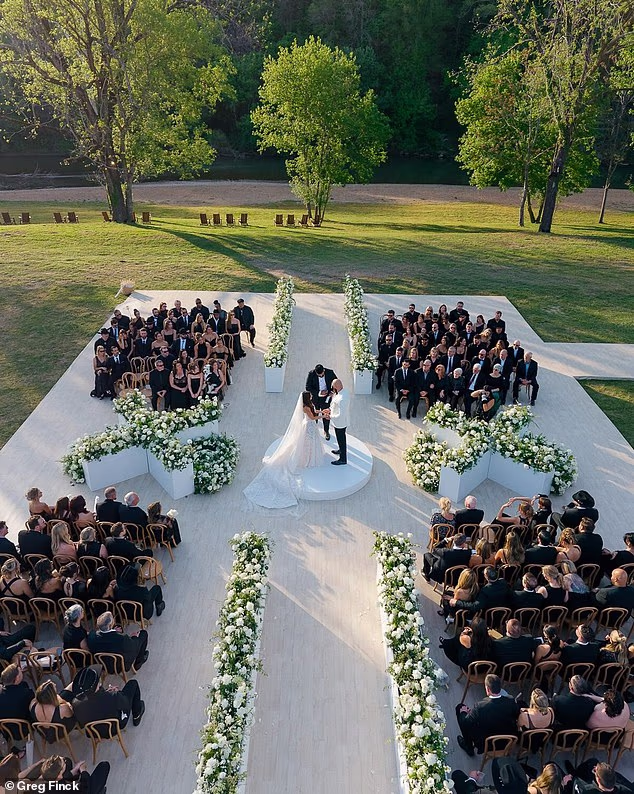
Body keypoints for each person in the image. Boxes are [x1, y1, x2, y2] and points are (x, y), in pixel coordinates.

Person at [243, 391, 329, 509]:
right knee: (308, 443)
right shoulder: (306, 407)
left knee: (310, 442)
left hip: (310, 425)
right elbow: (312, 417)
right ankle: (308, 459)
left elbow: (314, 411)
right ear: (307, 398)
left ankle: (310, 456)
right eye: (310, 395)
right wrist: (324, 416)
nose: (312, 396)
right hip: (309, 425)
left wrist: (322, 411)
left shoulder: (308, 405)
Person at [456, 674, 520, 757]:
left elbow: (467, 723)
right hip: (507, 741)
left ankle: (469, 747)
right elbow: (517, 715)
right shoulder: (511, 701)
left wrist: (465, 713)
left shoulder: (480, 706)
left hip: (488, 743)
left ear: (488, 689)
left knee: (460, 709)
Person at [70, 665, 145, 732]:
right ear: (96, 685)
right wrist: (117, 693)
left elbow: (83, 721)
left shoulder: (76, 705)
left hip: (94, 731)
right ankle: (137, 715)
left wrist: (106, 692)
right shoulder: (113, 697)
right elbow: (126, 704)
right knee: (133, 683)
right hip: (115, 727)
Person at [305, 364, 337, 440]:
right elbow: (307, 387)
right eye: (318, 375)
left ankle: (326, 431)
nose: (320, 376)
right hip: (315, 398)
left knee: (326, 414)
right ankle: (313, 429)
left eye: (322, 375)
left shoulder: (330, 372)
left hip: (326, 399)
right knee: (314, 414)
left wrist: (332, 392)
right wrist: (319, 392)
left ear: (324, 370)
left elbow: (336, 383)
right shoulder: (311, 374)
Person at [329, 379, 350, 466]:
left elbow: (341, 414)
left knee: (341, 440)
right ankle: (340, 450)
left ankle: (343, 459)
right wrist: (330, 410)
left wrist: (330, 416)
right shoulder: (343, 392)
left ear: (336, 387)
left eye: (333, 387)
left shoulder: (342, 398)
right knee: (339, 438)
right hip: (338, 422)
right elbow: (334, 405)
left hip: (340, 423)